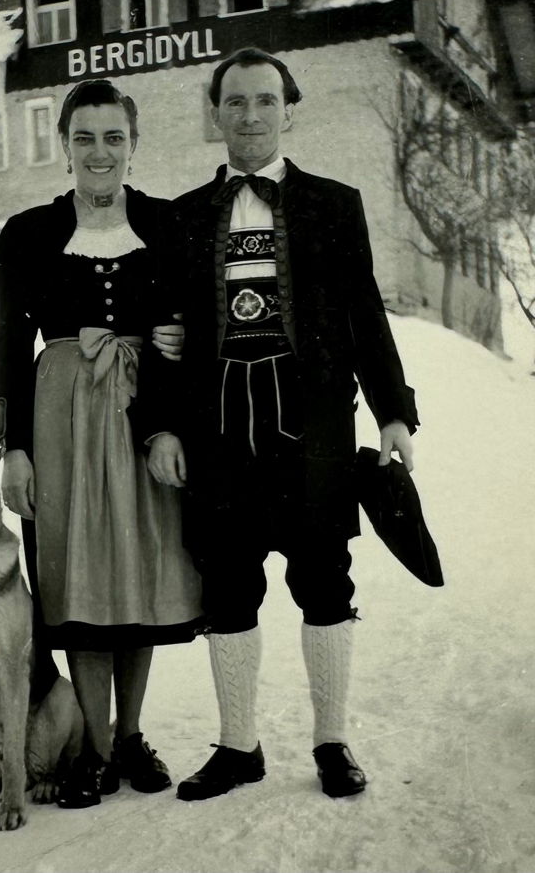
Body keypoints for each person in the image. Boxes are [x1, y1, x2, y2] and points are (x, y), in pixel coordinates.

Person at [145, 47, 419, 801]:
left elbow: (365, 314)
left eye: (266, 100)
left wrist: (394, 411)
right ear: (216, 112)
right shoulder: (184, 216)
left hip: (313, 429)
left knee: (323, 581)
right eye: (235, 101)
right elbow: (164, 331)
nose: (251, 115)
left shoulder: (335, 203)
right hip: (220, 429)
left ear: (290, 108)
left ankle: (332, 741)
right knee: (228, 588)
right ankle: (239, 747)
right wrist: (163, 427)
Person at [0, 78, 204, 809]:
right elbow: (11, 343)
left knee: (135, 569)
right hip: (60, 416)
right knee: (78, 571)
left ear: (134, 144)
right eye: (85, 137)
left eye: (114, 136)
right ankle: (90, 738)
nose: (99, 151)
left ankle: (130, 734)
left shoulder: (168, 224)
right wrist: (14, 446)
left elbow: (191, 325)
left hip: (141, 409)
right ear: (65, 146)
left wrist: (170, 417)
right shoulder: (26, 232)